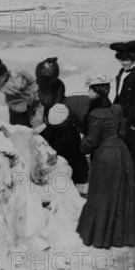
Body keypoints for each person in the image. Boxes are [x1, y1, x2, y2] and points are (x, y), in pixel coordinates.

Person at [76, 74, 135, 249]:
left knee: (102, 194)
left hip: (105, 156)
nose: (88, 92)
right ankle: (123, 233)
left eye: (90, 89)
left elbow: (91, 142)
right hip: (122, 153)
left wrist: (82, 141)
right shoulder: (116, 109)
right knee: (122, 193)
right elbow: (123, 132)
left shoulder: (95, 114)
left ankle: (102, 235)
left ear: (95, 91)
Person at [31, 58, 89, 188]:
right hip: (49, 118)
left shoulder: (58, 85)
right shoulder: (38, 85)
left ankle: (78, 178)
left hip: (59, 118)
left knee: (68, 147)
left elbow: (56, 105)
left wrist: (47, 123)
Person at [110, 40, 135, 185]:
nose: (124, 63)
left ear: (134, 59)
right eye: (122, 59)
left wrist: (134, 122)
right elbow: (119, 95)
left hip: (133, 119)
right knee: (126, 146)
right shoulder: (122, 74)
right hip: (122, 116)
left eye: (127, 60)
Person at [33, 103, 89, 186]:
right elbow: (78, 158)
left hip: (55, 174)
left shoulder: (46, 132)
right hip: (73, 174)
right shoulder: (71, 133)